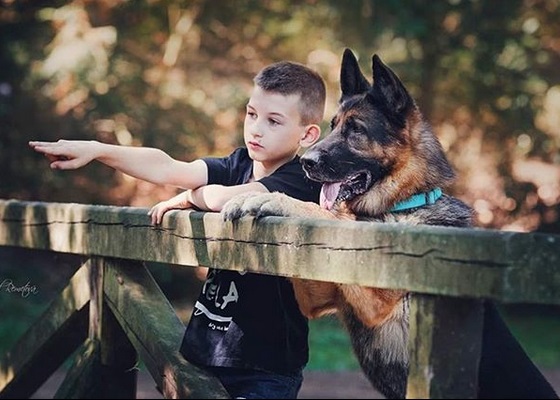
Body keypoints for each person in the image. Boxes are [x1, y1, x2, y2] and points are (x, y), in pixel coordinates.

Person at [29, 60, 326, 399]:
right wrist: (98, 150)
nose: (256, 129)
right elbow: (168, 167)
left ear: (307, 134)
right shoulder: (238, 164)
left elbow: (230, 200)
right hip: (204, 354)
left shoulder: (302, 178)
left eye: (274, 121)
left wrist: (191, 196)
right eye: (251, 114)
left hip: (265, 368)